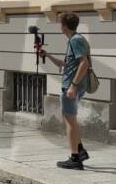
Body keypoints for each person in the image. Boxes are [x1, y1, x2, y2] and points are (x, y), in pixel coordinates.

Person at [38, 12, 91, 170]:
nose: (59, 26)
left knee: (70, 121)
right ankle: (80, 151)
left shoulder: (75, 40)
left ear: (65, 25)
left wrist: (73, 86)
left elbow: (84, 64)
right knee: (72, 120)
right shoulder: (74, 40)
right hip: (73, 85)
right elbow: (67, 65)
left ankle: (75, 158)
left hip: (71, 86)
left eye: (60, 24)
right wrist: (47, 55)